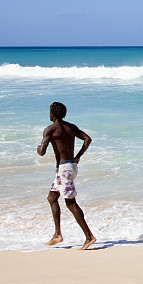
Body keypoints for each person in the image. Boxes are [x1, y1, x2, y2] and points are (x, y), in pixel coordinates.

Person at [37, 102, 97, 250]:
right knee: (52, 198)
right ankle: (57, 234)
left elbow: (42, 152)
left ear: (53, 113)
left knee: (70, 203)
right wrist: (78, 156)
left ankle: (89, 237)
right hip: (70, 167)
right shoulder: (71, 127)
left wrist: (38, 148)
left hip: (64, 169)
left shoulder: (50, 130)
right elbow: (87, 139)